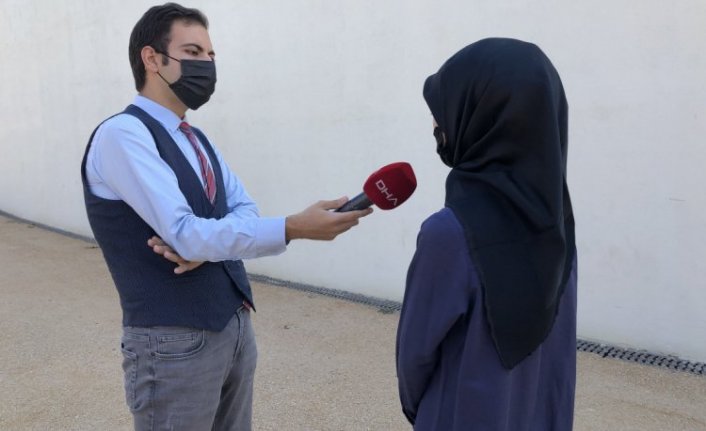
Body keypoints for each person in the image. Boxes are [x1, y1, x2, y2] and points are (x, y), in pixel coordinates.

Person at [80, 3, 371, 430]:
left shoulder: (196, 139)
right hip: (172, 339)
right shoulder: (123, 135)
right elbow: (185, 232)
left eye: (211, 56)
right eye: (193, 52)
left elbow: (241, 210)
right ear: (151, 59)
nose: (208, 65)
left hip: (233, 325)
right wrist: (291, 227)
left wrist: (202, 247)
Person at [396, 38, 577, 430]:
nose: (436, 125)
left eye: (443, 111)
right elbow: (557, 357)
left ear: (483, 116)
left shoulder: (450, 234)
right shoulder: (558, 225)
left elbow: (414, 362)